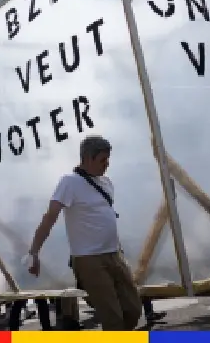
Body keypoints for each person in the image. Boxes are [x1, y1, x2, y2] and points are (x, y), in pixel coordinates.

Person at [28, 135, 141, 330]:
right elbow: (50, 217)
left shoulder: (106, 182)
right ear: (88, 158)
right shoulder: (69, 182)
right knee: (112, 317)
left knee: (133, 309)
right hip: (89, 259)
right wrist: (33, 252)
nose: (107, 164)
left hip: (114, 254)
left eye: (108, 159)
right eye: (102, 160)